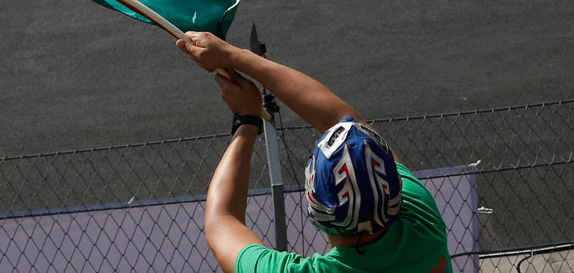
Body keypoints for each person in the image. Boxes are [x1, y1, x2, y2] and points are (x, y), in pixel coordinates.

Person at [178, 32, 453, 273]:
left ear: (314, 203)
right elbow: (221, 221)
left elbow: (221, 222)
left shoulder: (422, 215)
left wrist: (247, 114)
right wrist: (245, 110)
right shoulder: (423, 225)